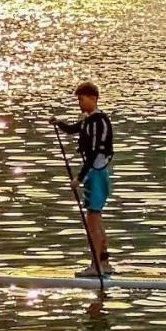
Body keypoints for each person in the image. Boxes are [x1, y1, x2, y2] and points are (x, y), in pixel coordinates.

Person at [52, 81, 115, 277]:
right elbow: (72, 129)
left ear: (93, 98)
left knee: (93, 221)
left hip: (96, 174)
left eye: (81, 99)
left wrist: (78, 179)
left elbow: (95, 152)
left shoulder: (98, 122)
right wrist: (58, 123)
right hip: (94, 174)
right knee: (96, 218)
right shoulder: (89, 121)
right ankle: (104, 264)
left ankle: (95, 267)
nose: (79, 103)